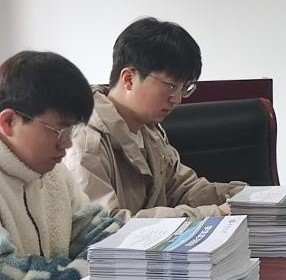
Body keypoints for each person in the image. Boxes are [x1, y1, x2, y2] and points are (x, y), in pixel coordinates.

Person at [65, 17, 244, 219]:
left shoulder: (148, 129)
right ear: (129, 79)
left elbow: (182, 189)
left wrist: (244, 196)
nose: (177, 99)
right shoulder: (85, 143)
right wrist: (214, 213)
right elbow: (107, 225)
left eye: (184, 88)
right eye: (171, 86)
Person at [0, 51, 120, 280]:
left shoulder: (54, 173)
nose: (67, 144)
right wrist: (95, 270)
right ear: (9, 122)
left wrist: (126, 255)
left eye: (72, 130)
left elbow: (97, 230)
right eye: (60, 130)